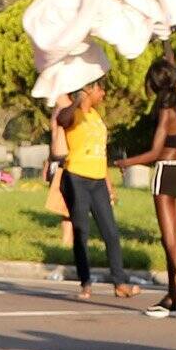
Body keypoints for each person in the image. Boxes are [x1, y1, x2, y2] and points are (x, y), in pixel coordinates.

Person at [121, 64, 176, 316]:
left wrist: (126, 162)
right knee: (173, 242)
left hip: (166, 171)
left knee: (169, 239)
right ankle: (172, 296)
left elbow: (156, 152)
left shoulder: (165, 110)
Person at [53, 80, 137, 299]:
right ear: (88, 90)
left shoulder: (96, 117)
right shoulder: (72, 113)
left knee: (111, 231)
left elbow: (102, 152)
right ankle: (85, 283)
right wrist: (76, 102)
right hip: (76, 178)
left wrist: (108, 183)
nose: (104, 93)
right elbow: (62, 120)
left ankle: (120, 283)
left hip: (98, 180)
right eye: (99, 89)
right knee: (81, 231)